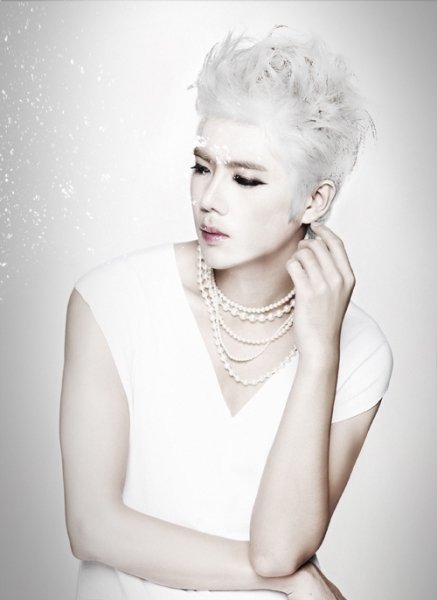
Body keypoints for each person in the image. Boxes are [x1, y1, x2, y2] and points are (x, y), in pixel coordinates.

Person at [60, 28, 393, 599]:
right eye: (202, 167)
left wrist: (319, 355)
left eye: (245, 178)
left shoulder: (359, 350)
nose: (209, 199)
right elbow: (92, 528)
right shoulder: (111, 301)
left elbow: (277, 549)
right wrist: (301, 581)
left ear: (313, 200)